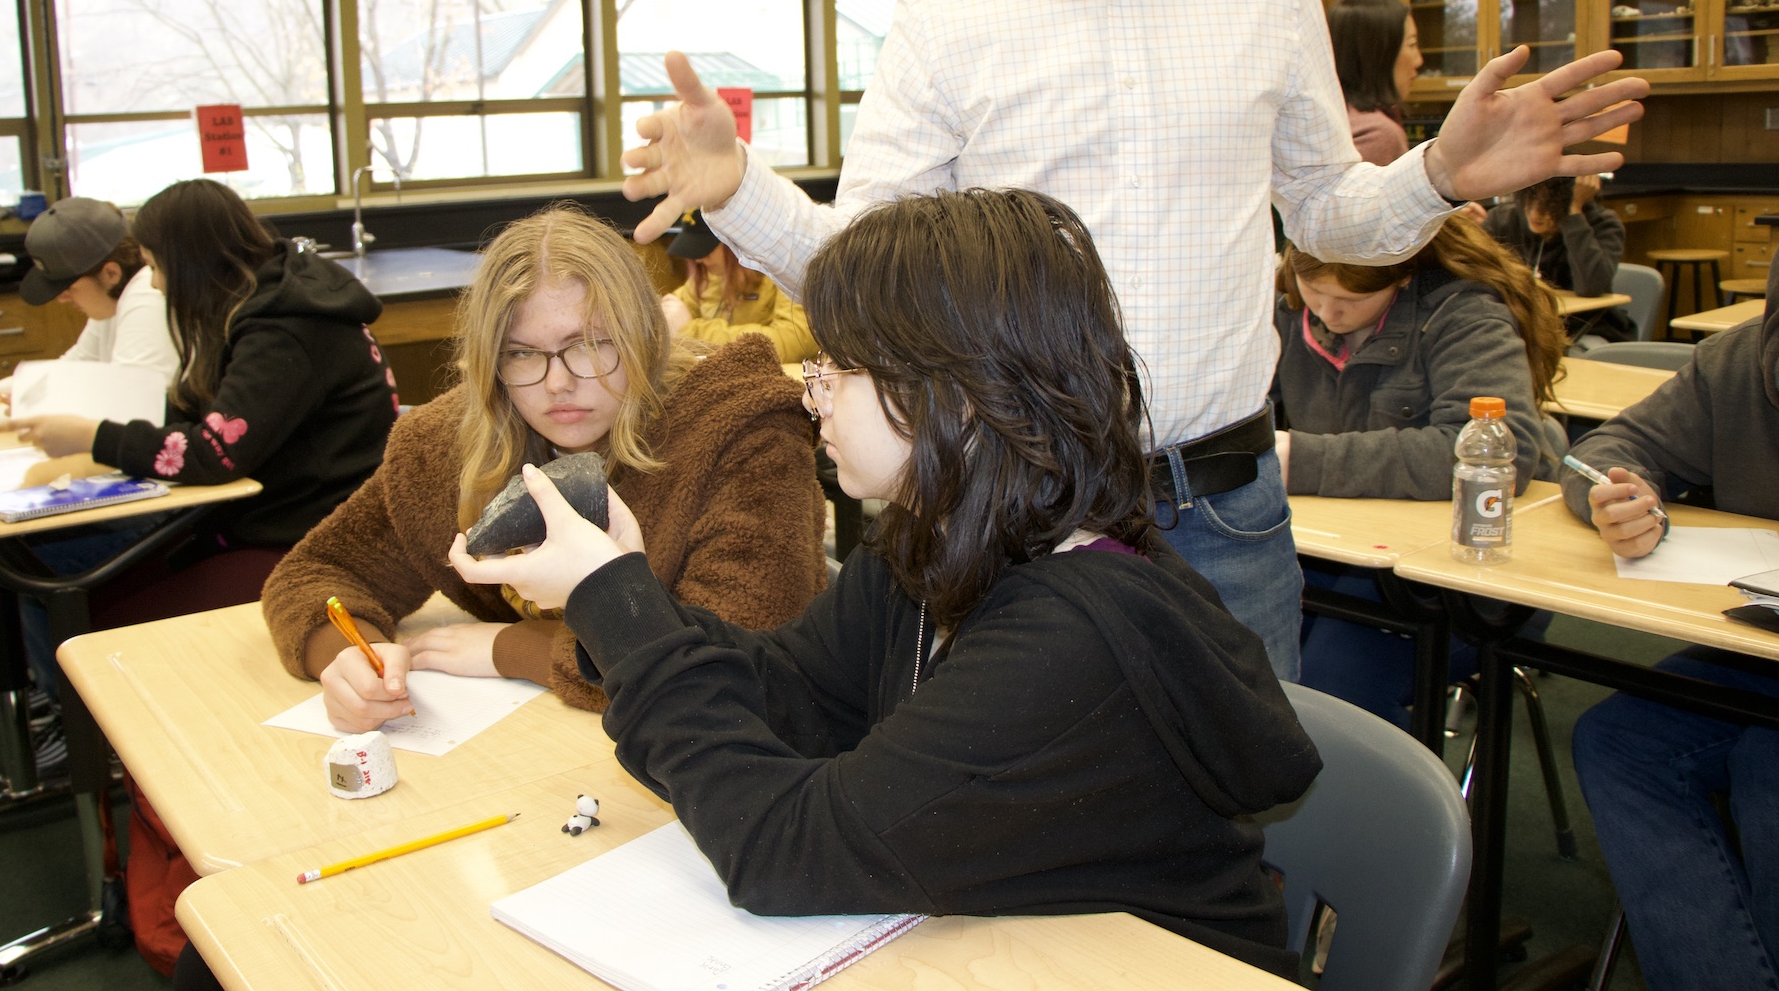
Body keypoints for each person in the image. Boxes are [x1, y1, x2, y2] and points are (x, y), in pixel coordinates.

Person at [615, 0, 1645, 677]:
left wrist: (1440, 174)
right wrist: (740, 188)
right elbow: (871, 271)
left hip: (1227, 509)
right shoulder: (944, 17)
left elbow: (1329, 212)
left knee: (1241, 843)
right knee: (1037, 839)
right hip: (1019, 516)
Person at [462, 188, 1322, 978]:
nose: (813, 394)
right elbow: (791, 696)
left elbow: (784, 851)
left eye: (840, 369)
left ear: (958, 394)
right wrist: (624, 595)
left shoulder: (1070, 636)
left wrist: (616, 605)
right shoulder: (934, 547)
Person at [258, 204, 827, 726]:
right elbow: (316, 573)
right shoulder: (440, 446)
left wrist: (520, 649)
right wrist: (349, 658)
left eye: (592, 343)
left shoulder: (739, 432)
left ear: (645, 335)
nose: (559, 383)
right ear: (489, 363)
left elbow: (745, 662)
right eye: (522, 353)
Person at [1561, 260, 1779, 991]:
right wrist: (1624, 497)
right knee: (1618, 742)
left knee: (1767, 770)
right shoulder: (1739, 362)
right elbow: (1604, 450)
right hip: (1758, 653)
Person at [0, 179, 397, 567]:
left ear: (190, 264)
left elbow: (214, 454)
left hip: (311, 539)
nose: (154, 284)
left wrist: (92, 437)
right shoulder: (258, 303)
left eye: (156, 268)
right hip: (277, 515)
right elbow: (202, 414)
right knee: (40, 551)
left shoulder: (281, 331)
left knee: (46, 563)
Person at [1271, 215, 1566, 726]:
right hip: (1338, 559)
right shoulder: (1286, 310)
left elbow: (1498, 457)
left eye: (1354, 298)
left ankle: (1390, 801)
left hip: (1458, 583)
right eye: (1313, 288)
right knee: (1238, 650)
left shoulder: (1463, 312)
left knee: (1330, 685)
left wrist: (1301, 459)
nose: (1328, 310)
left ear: (1402, 274)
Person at [0, 196, 178, 423]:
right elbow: (71, 371)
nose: (61, 298)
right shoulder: (111, 303)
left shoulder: (148, 297)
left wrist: (5, 415)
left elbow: (131, 411)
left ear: (111, 273)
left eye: (68, 287)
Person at [1486, 174, 1634, 344]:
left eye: (1550, 204)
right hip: (1521, 328)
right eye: (1530, 199)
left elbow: (1591, 287)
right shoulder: (1503, 219)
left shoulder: (1602, 223)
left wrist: (1573, 214)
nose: (1536, 213)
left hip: (1585, 330)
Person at [660, 210, 817, 362]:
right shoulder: (706, 278)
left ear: (739, 242)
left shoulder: (789, 274)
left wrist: (692, 331)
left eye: (706, 250)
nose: (699, 260)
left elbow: (793, 343)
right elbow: (667, 319)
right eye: (692, 251)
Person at [1328, 0, 1422, 166]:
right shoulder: (1377, 135)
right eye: (1411, 45)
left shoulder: (1331, 117)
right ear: (1379, 55)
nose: (1418, 60)